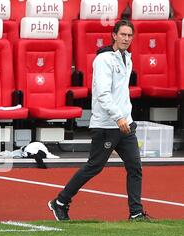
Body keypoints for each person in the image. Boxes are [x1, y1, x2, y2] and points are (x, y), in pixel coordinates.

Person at [48, 20, 149, 222]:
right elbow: (102, 94)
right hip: (106, 125)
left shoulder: (127, 58)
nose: (126, 39)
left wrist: (126, 118)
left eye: (130, 36)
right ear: (114, 35)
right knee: (94, 166)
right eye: (123, 35)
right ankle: (60, 201)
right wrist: (118, 117)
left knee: (135, 167)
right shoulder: (104, 61)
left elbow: (121, 93)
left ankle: (136, 212)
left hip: (125, 124)